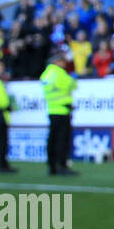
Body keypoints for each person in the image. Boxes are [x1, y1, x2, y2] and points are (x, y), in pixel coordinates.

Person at [40, 47, 78, 176]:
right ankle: (62, 166)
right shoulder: (59, 73)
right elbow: (72, 84)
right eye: (62, 60)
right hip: (62, 110)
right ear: (56, 62)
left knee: (52, 139)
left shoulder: (45, 74)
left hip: (52, 109)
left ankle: (52, 166)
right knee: (62, 140)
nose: (64, 63)